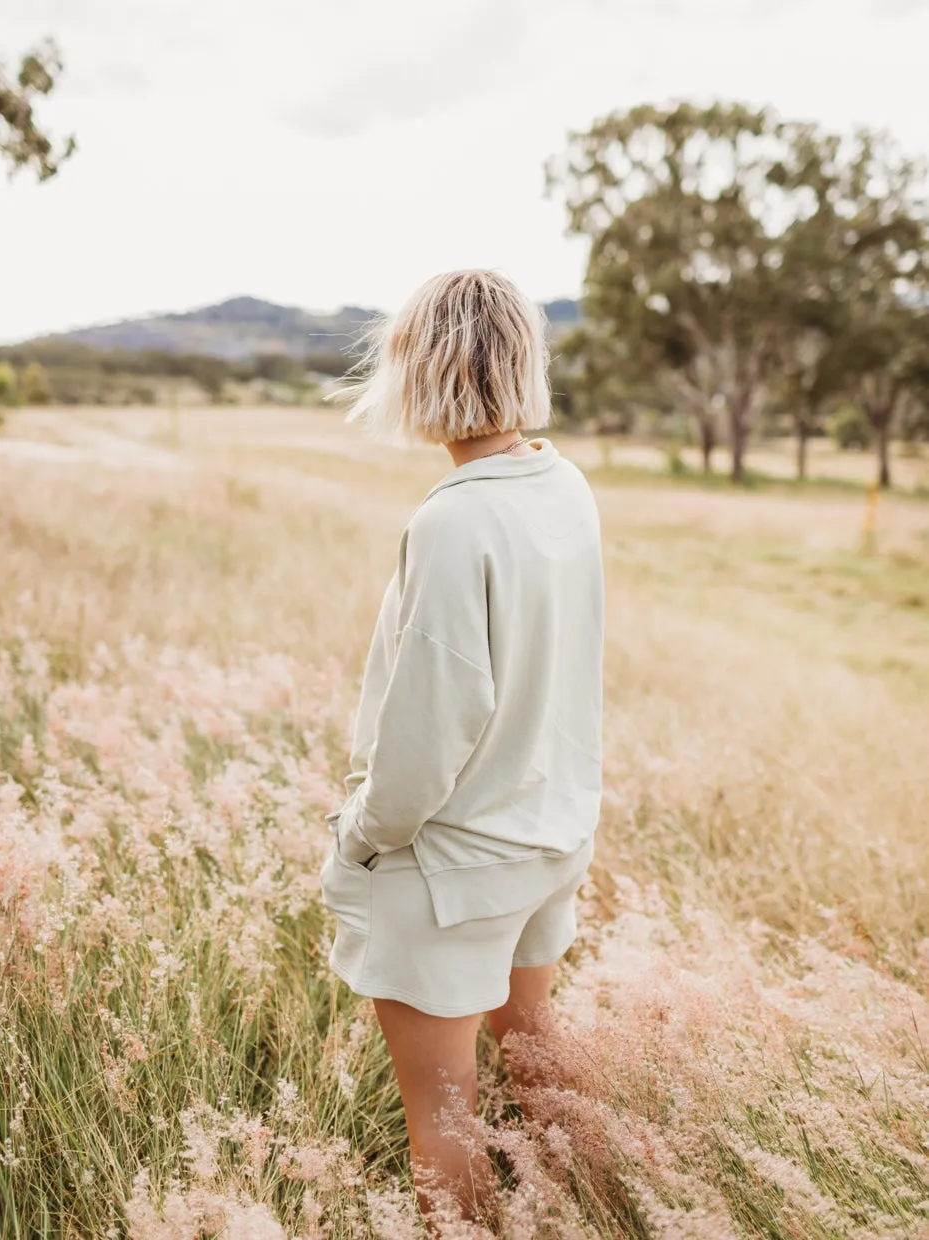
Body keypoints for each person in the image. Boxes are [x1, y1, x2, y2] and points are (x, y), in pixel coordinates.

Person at [320, 268, 604, 1222]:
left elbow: (428, 730)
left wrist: (361, 835)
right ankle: (599, 1211)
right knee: (543, 1077)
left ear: (419, 368)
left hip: (450, 867)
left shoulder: (455, 519)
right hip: (550, 838)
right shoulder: (562, 483)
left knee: (445, 1129)